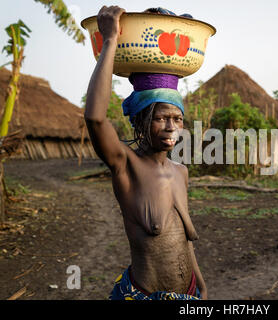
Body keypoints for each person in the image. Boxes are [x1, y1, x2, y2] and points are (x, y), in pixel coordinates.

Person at [84, 5, 207, 300]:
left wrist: (201, 286)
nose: (171, 127)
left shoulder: (181, 172)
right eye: (161, 117)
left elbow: (184, 240)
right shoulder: (126, 165)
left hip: (189, 293)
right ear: (140, 120)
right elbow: (95, 118)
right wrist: (111, 40)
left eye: (177, 119)